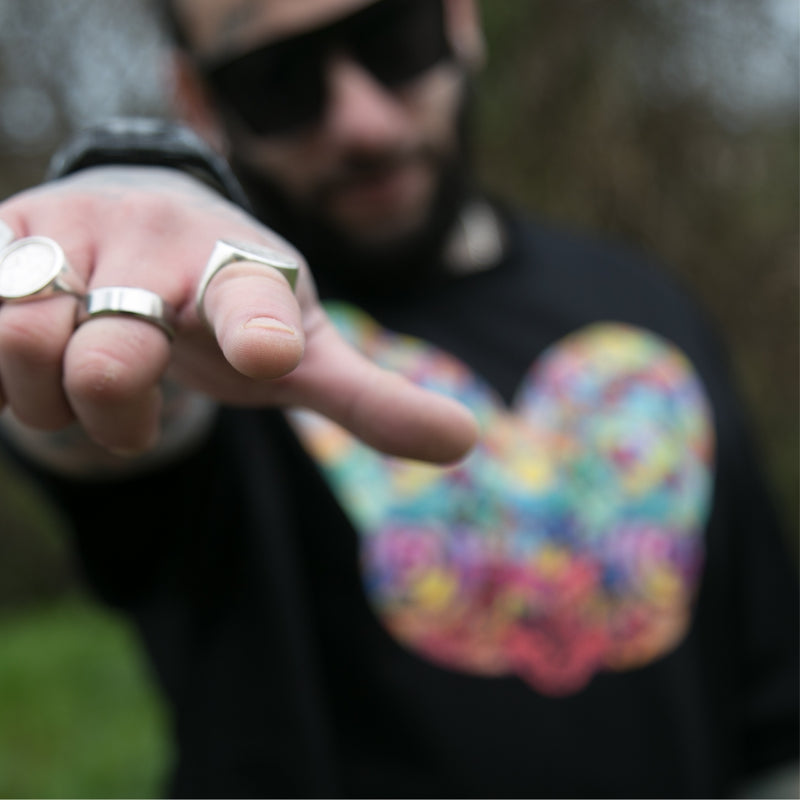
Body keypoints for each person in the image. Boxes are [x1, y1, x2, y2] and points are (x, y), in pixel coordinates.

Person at [0, 0, 796, 796]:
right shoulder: (223, 351)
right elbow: (111, 428)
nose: (362, 123)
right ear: (202, 102)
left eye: (394, 38)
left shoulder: (649, 306)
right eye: (276, 81)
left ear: (460, 21)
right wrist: (128, 190)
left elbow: (771, 705)